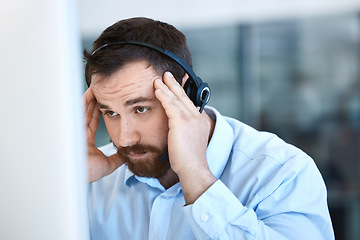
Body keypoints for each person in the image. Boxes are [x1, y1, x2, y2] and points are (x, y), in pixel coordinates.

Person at [83, 17, 334, 240]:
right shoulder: (90, 179)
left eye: (141, 109)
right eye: (110, 113)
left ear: (188, 93)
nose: (124, 138)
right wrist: (67, 185)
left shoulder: (283, 173)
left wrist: (198, 179)